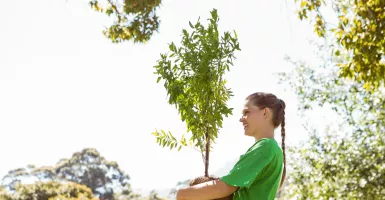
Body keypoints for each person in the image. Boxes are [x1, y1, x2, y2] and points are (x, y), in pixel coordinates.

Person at [176, 92, 286, 200]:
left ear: (265, 112)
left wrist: (183, 194)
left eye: (246, 112)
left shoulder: (266, 146)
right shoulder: (270, 148)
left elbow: (228, 186)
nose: (241, 119)